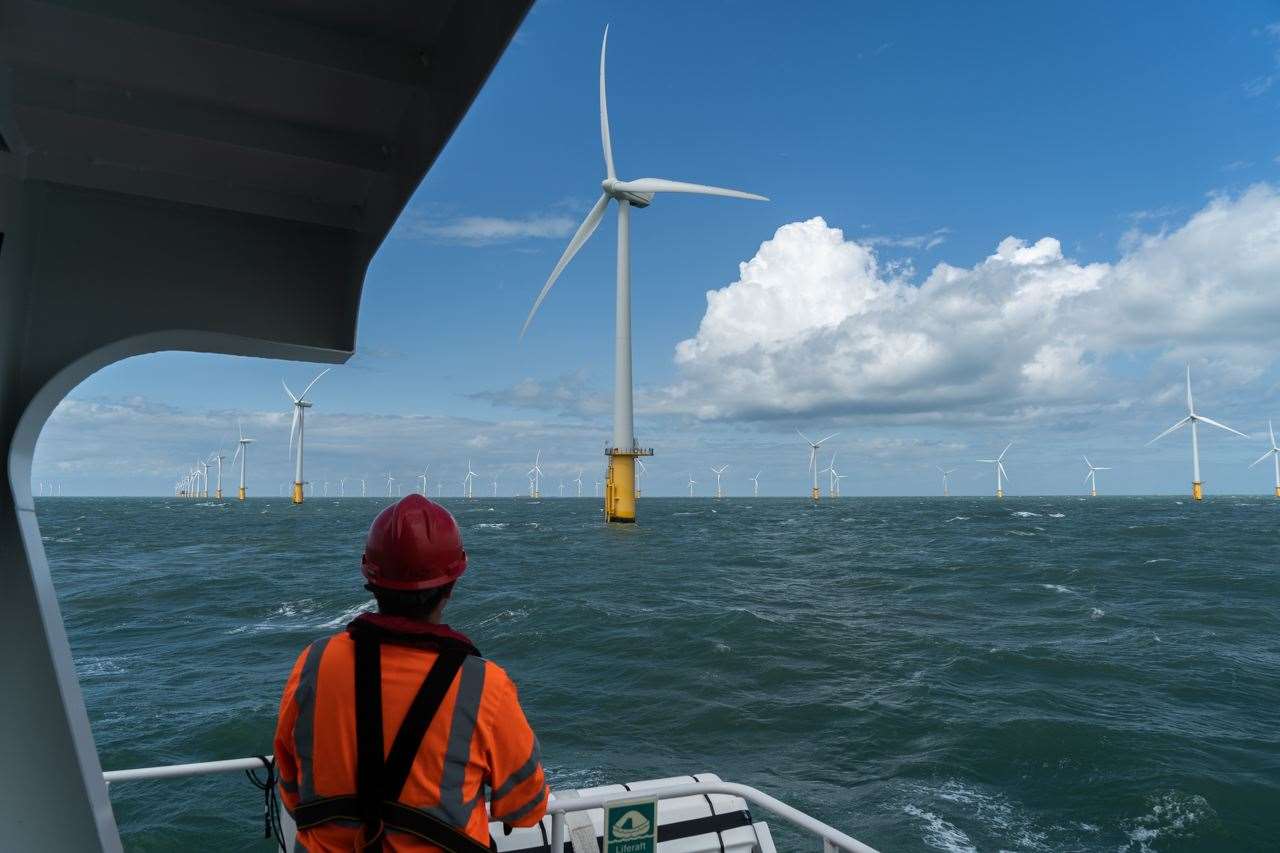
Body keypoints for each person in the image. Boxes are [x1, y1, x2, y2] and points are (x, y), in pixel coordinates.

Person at [274, 495, 548, 851]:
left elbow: (291, 784)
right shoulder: (485, 686)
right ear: (450, 586)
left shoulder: (315, 662)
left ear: (371, 578)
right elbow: (525, 808)